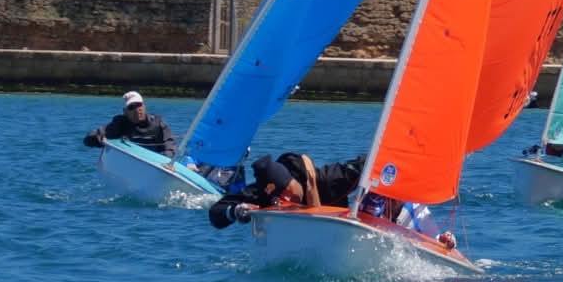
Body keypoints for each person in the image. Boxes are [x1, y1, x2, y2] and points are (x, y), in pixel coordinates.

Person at [207, 152, 361, 229]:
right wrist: (236, 211)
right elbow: (215, 213)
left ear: (294, 180)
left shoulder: (329, 179)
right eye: (278, 196)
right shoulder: (264, 193)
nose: (284, 199)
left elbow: (370, 164)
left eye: (286, 190)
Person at [83, 91, 177, 157]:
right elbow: (88, 140)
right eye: (132, 107)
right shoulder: (119, 124)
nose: (137, 110)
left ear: (144, 106)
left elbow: (171, 147)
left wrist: (165, 159)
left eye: (139, 105)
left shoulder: (158, 123)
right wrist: (98, 138)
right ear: (125, 112)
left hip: (156, 163)